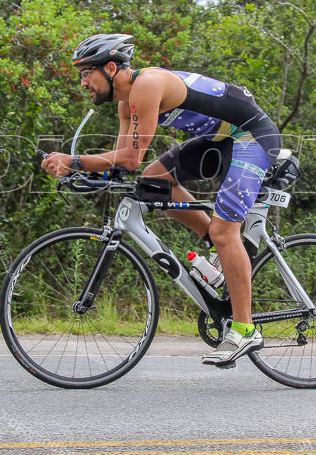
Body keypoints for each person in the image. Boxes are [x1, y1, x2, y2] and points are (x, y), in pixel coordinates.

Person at [40, 33, 283, 365]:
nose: (83, 82)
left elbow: (127, 157)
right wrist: (84, 172)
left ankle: (245, 329)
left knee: (226, 231)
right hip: (220, 139)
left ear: (110, 68)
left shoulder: (147, 85)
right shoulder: (126, 103)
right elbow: (126, 162)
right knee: (155, 180)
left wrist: (76, 161)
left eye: (86, 73)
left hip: (250, 137)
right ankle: (219, 259)